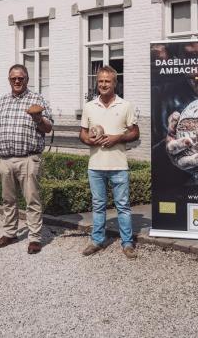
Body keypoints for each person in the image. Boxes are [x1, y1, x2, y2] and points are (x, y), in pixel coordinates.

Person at [0, 64, 53, 254]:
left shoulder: (37, 99)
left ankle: (35, 238)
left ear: (27, 80)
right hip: (5, 159)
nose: (17, 81)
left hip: (28, 159)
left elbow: (48, 128)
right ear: (9, 80)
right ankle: (10, 233)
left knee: (32, 200)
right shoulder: (3, 101)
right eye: (13, 78)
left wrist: (38, 118)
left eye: (20, 78)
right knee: (8, 200)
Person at [79, 66, 140, 259]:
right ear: (97, 83)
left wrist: (117, 138)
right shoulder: (89, 106)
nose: (104, 84)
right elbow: (82, 133)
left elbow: (135, 132)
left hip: (118, 165)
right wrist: (89, 140)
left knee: (122, 205)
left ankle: (127, 243)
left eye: (108, 81)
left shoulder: (125, 105)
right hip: (95, 165)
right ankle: (97, 240)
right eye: (100, 81)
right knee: (98, 205)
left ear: (115, 83)